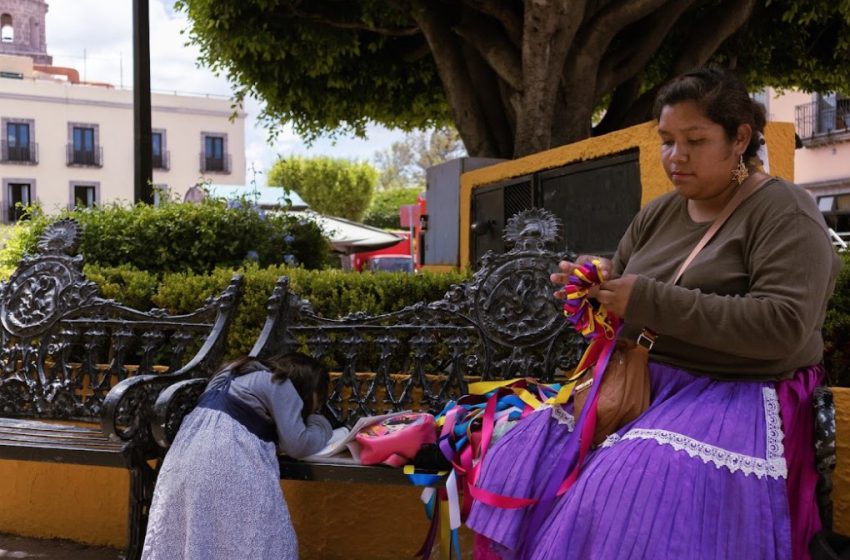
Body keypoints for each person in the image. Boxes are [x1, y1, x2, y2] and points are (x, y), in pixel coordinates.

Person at [466, 65, 840, 560]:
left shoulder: (783, 212)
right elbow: (626, 287)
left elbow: (783, 327)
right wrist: (595, 287)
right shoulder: (659, 213)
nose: (674, 156)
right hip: (646, 383)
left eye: (694, 140)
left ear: (739, 139)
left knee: (632, 482)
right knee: (524, 454)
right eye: (666, 140)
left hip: (740, 392)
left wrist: (645, 299)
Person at [141, 352, 333, 560]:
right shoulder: (280, 381)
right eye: (319, 399)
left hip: (182, 463)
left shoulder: (231, 371)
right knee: (266, 539)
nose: (317, 405)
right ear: (308, 388)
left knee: (201, 538)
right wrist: (321, 424)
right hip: (229, 462)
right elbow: (298, 444)